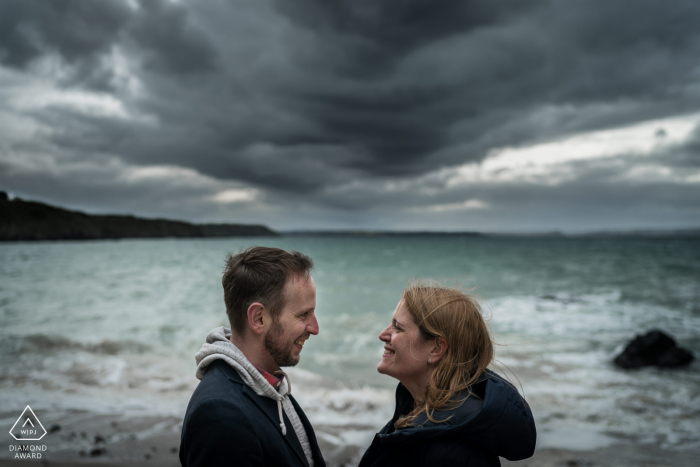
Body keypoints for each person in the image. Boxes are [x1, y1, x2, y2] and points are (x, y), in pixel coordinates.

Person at [359, 283, 536, 467]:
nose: (382, 335)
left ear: (436, 349)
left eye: (398, 328)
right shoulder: (417, 418)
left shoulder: (453, 453)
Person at [179, 246, 326, 467]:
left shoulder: (268, 384)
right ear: (258, 318)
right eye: (303, 314)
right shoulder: (221, 416)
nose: (315, 328)